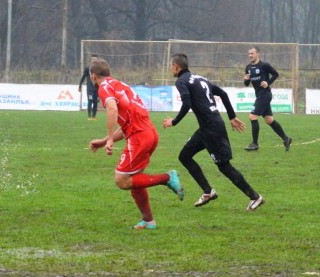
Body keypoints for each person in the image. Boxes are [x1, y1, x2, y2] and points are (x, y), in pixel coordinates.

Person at [88, 57, 184, 231]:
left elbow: (111, 109)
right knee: (134, 179)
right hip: (149, 134)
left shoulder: (104, 88)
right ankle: (148, 220)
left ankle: (167, 178)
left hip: (140, 138)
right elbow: (127, 126)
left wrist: (109, 138)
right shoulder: (120, 85)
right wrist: (104, 141)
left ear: (93, 76)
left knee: (122, 180)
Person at [162, 53, 265, 211]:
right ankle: (208, 191)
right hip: (207, 127)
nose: (171, 69)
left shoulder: (181, 81)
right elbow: (223, 94)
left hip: (211, 128)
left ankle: (255, 197)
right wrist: (231, 117)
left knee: (224, 167)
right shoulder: (199, 78)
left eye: (171, 66)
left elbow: (187, 103)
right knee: (184, 156)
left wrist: (173, 121)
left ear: (176, 66)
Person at [243, 46, 291, 152]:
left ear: (258, 54)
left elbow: (275, 74)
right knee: (269, 120)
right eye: (249, 53)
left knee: (252, 117)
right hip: (259, 95)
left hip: (265, 94)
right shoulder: (248, 67)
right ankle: (286, 139)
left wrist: (267, 82)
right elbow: (247, 84)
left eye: (252, 53)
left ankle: (254, 144)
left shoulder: (264, 65)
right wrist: (246, 80)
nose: (250, 55)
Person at [79, 55, 99, 120]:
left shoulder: (99, 69)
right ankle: (89, 116)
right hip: (90, 88)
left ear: (97, 60)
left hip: (97, 88)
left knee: (95, 102)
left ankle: (94, 116)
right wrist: (80, 85)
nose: (94, 61)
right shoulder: (88, 68)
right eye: (92, 59)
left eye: (95, 59)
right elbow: (83, 77)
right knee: (90, 101)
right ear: (91, 60)